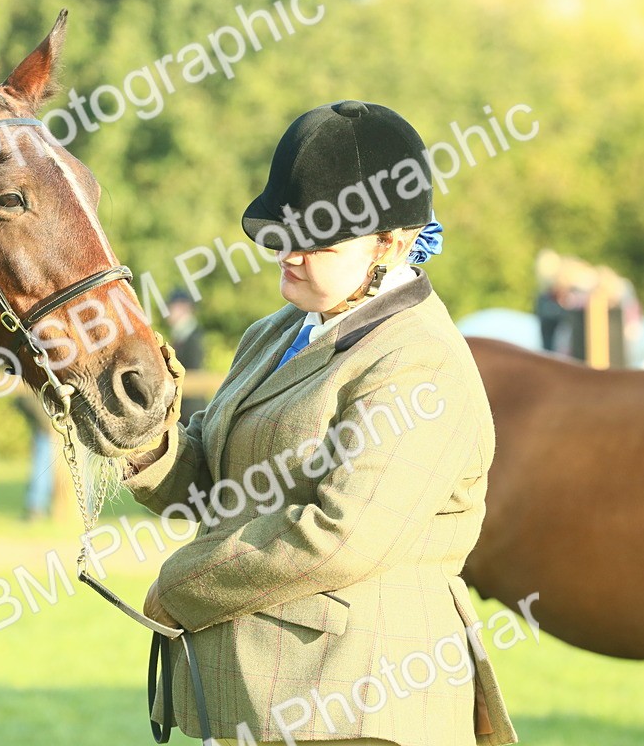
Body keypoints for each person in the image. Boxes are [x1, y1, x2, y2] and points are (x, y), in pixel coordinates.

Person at [123, 101, 516, 746]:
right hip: (272, 697)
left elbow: (342, 534)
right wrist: (142, 440)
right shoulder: (276, 332)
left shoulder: (419, 364)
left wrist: (184, 582)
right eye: (284, 231)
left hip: (365, 706)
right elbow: (225, 484)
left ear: (389, 242)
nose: (291, 252)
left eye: (319, 239)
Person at [167, 288, 206, 425]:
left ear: (183, 308)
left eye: (172, 308)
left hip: (189, 406)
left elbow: (192, 369)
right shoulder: (180, 334)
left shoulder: (192, 336)